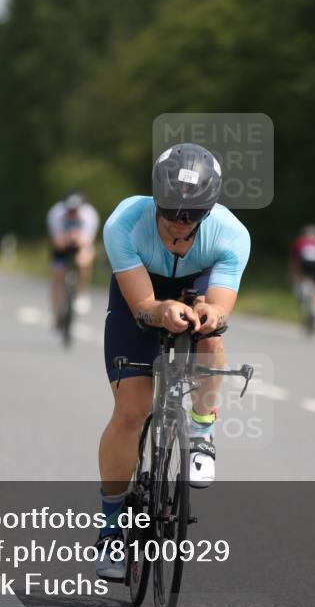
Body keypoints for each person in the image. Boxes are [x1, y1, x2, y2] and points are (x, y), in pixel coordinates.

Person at [94, 143, 250, 579]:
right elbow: (142, 304)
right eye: (171, 214)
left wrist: (209, 314)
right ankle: (111, 530)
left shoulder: (230, 234)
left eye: (192, 216)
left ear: (209, 208)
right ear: (156, 201)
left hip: (198, 282)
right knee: (130, 412)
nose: (180, 224)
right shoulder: (124, 223)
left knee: (211, 336)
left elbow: (221, 302)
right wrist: (159, 310)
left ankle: (201, 429)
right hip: (140, 293)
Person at [47, 192, 100, 318]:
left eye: (75, 210)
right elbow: (57, 241)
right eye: (70, 210)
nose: (72, 213)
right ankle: (56, 311)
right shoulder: (55, 214)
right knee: (57, 274)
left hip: (80, 244)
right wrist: (66, 239)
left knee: (84, 261)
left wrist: (77, 241)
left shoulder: (89, 215)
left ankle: (81, 291)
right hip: (62, 244)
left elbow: (87, 241)